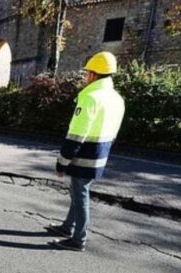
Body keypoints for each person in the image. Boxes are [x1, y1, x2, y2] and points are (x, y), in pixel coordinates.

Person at [48, 52, 126, 252]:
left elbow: (76, 134)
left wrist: (62, 162)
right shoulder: (117, 99)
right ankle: (67, 227)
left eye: (87, 73)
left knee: (80, 196)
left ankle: (78, 239)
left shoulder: (91, 98)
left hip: (84, 156)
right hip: (100, 154)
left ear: (93, 74)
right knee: (77, 192)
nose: (86, 77)